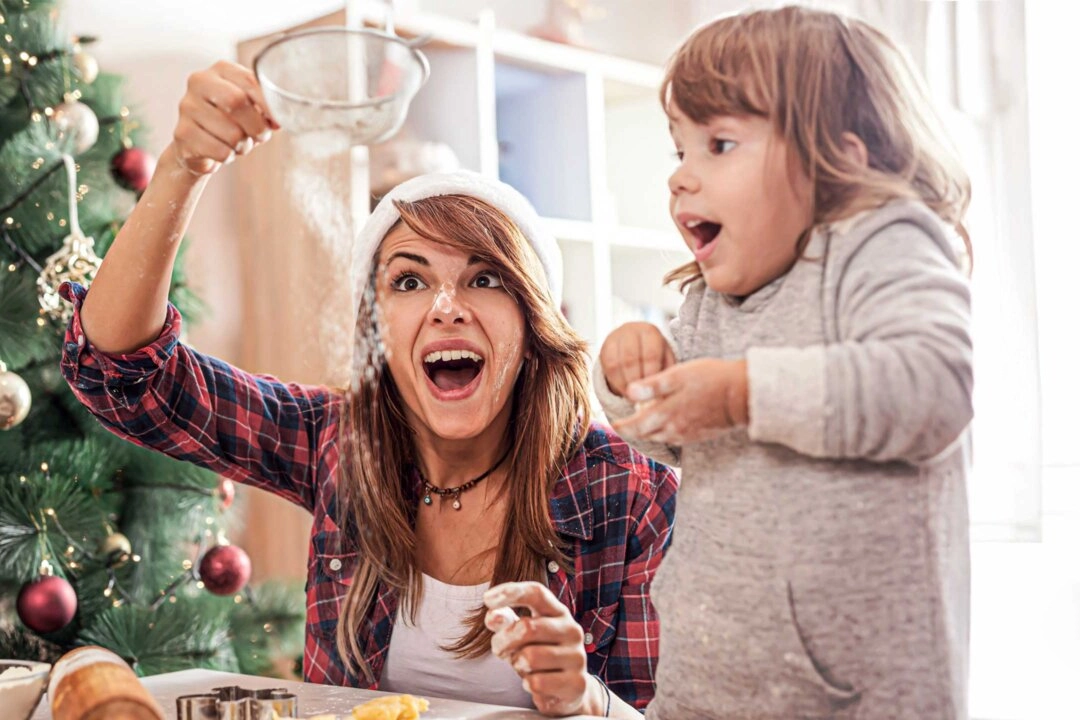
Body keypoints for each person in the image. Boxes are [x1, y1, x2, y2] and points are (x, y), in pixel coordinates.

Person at [59, 60, 677, 718]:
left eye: (485, 279)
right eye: (409, 282)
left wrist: (586, 701)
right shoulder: (338, 444)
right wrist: (185, 163)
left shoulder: (631, 495)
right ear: (376, 329)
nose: (446, 307)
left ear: (533, 322)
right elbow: (121, 373)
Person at [596, 7, 973, 719]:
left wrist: (743, 392)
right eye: (680, 150)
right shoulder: (710, 294)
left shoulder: (881, 243)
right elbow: (684, 434)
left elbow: (933, 388)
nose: (680, 178)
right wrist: (630, 381)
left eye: (720, 143)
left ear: (841, 157)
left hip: (852, 694)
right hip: (707, 678)